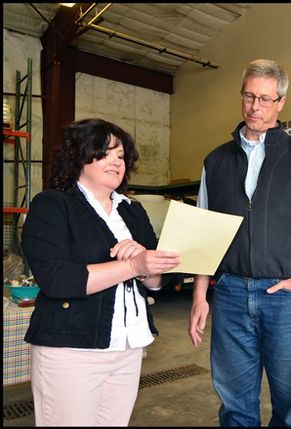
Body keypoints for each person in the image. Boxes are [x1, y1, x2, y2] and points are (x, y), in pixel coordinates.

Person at [188, 59, 291, 426]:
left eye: (265, 99)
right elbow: (204, 233)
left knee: (290, 404)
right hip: (231, 296)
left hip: (284, 297)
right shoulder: (215, 161)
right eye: (249, 96)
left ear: (281, 103)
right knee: (235, 403)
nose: (255, 107)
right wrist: (199, 296)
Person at [21, 118, 181, 426]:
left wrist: (147, 268)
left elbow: (155, 281)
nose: (116, 162)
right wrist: (131, 265)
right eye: (105, 152)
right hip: (72, 351)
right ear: (79, 156)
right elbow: (57, 279)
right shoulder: (53, 205)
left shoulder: (132, 211)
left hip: (128, 346)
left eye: (120, 156)